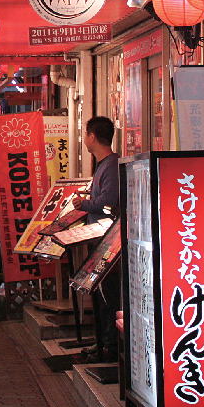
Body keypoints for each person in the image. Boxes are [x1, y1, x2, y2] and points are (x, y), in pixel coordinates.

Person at [72, 115, 121, 361]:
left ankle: (110, 345)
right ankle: (103, 342)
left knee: (108, 296)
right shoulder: (104, 164)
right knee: (102, 296)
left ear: (93, 136)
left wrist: (85, 203)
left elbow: (109, 201)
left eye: (85, 134)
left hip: (108, 241)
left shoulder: (110, 165)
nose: (84, 139)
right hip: (100, 239)